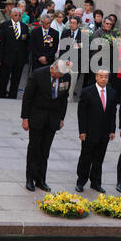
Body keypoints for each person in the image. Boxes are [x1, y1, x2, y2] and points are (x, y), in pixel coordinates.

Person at [21, 59, 71, 192]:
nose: (60, 77)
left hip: (53, 118)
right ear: (52, 69)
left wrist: (61, 117)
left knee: (45, 150)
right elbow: (27, 97)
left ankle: (41, 180)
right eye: (58, 74)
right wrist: (25, 118)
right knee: (34, 148)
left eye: (62, 75)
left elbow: (64, 99)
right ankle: (30, 178)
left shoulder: (66, 76)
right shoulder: (38, 74)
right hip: (37, 116)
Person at [75, 68, 117, 193]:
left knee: (99, 159)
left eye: (106, 77)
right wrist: (82, 131)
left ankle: (96, 182)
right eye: (101, 76)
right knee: (86, 158)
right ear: (96, 77)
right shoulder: (87, 92)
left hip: (104, 132)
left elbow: (112, 113)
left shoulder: (112, 92)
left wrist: (112, 130)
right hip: (89, 131)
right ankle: (81, 182)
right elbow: (81, 113)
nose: (104, 79)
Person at [0, 7, 29, 99]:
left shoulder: (24, 26)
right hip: (6, 57)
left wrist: (25, 58)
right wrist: (0, 57)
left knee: (16, 79)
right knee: (3, 78)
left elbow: (26, 43)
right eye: (15, 15)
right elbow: (0, 43)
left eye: (19, 15)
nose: (17, 17)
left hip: (19, 58)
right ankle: (1, 95)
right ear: (11, 15)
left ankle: (12, 96)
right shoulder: (4, 25)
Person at [60, 15, 83, 101]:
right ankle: (61, 98)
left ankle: (69, 99)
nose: (72, 25)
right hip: (65, 61)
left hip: (75, 63)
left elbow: (82, 51)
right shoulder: (65, 32)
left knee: (72, 83)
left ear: (78, 24)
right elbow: (62, 48)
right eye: (71, 23)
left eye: (74, 23)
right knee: (63, 82)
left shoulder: (83, 35)